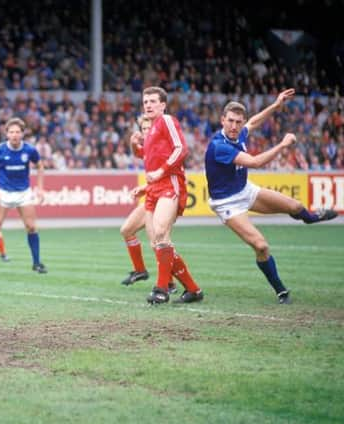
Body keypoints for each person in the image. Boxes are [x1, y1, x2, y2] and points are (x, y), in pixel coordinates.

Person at [204, 88, 337, 304]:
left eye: (239, 122)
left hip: (245, 190)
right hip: (227, 203)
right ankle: (281, 290)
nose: (235, 126)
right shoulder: (219, 146)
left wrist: (276, 105)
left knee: (295, 206)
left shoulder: (239, 133)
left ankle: (311, 218)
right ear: (222, 120)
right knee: (261, 246)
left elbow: (254, 123)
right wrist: (283, 145)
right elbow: (255, 163)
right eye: (230, 121)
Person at [138, 86, 203, 304]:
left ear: (163, 105)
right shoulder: (151, 129)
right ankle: (193, 289)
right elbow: (151, 157)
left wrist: (162, 170)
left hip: (169, 182)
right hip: (153, 188)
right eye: (145, 101)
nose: (148, 104)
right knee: (156, 241)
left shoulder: (166, 120)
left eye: (152, 101)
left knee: (160, 232)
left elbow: (181, 148)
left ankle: (162, 289)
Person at [0, 117, 46, 274]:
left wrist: (40, 188)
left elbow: (40, 166)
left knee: (31, 227)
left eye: (17, 132)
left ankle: (36, 263)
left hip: (23, 192)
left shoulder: (30, 150)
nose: (15, 135)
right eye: (11, 132)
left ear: (23, 134)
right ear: (6, 134)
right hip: (3, 192)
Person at [120, 116, 176, 294]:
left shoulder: (163, 148)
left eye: (148, 129)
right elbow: (138, 153)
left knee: (158, 243)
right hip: (152, 196)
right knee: (127, 230)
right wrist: (132, 143)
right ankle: (141, 271)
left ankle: (170, 283)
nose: (146, 132)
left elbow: (169, 175)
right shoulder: (149, 148)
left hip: (165, 198)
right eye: (143, 129)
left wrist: (145, 187)